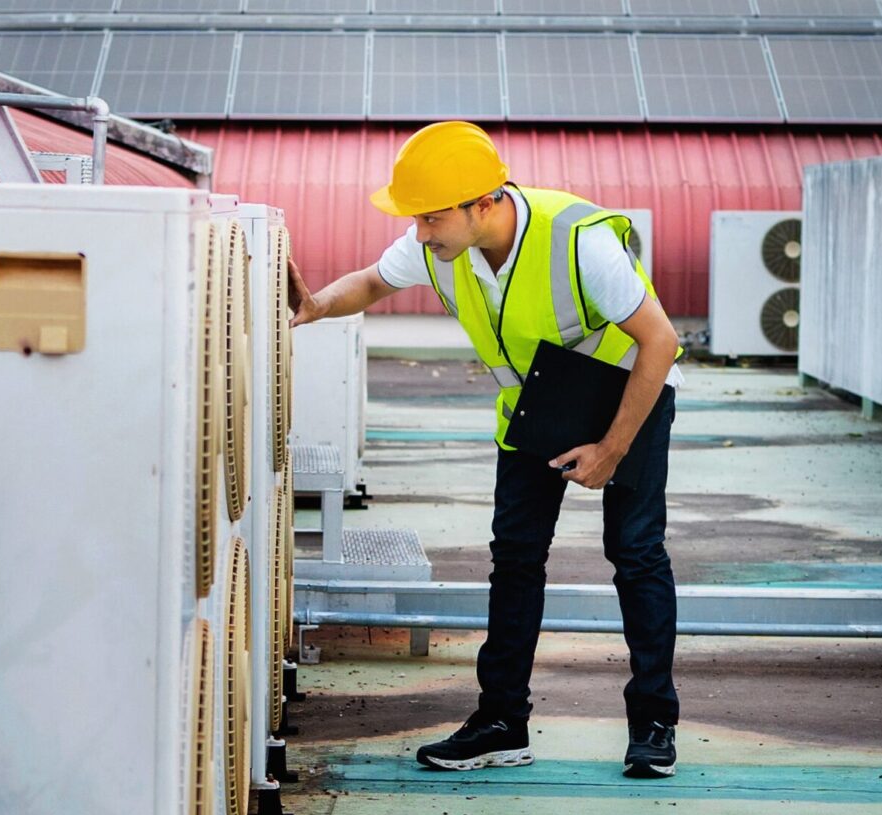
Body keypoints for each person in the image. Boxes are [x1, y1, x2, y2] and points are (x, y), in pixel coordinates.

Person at [289, 121, 683, 779]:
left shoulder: (577, 241)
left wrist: (613, 448)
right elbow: (369, 283)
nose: (420, 233)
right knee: (517, 558)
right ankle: (502, 722)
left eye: (433, 216)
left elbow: (661, 340)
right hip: (535, 408)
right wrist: (315, 305)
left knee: (636, 553)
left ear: (487, 202)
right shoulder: (441, 245)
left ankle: (653, 723)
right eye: (417, 218)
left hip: (628, 398)